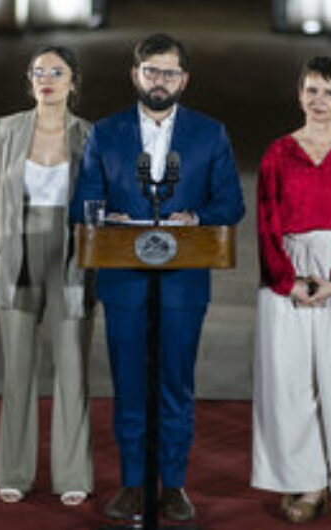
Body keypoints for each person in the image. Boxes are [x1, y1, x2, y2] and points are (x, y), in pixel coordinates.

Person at [70, 33, 245, 523]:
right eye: (152, 71)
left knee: (175, 383)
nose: (160, 81)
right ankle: (131, 483)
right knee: (128, 383)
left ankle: (173, 484)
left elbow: (231, 203)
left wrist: (194, 218)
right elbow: (83, 203)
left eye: (170, 73)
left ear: (184, 80)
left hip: (183, 282)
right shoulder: (105, 134)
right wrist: (108, 219)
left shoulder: (210, 134)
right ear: (135, 75)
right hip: (124, 280)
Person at [251, 57, 331, 523]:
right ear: (299, 94)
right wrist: (288, 281)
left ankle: (323, 475)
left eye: (329, 92)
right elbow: (265, 222)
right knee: (286, 383)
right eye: (311, 90)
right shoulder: (278, 153)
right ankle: (304, 479)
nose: (318, 101)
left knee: (326, 379)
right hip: (286, 273)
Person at [0, 46, 95, 507]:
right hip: (18, 249)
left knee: (72, 366)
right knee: (18, 369)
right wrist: (12, 236)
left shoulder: (90, 134)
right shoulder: (7, 129)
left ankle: (73, 474)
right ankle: (14, 470)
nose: (46, 79)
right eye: (38, 72)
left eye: (57, 71)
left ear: (74, 80)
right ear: (29, 80)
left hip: (72, 253)